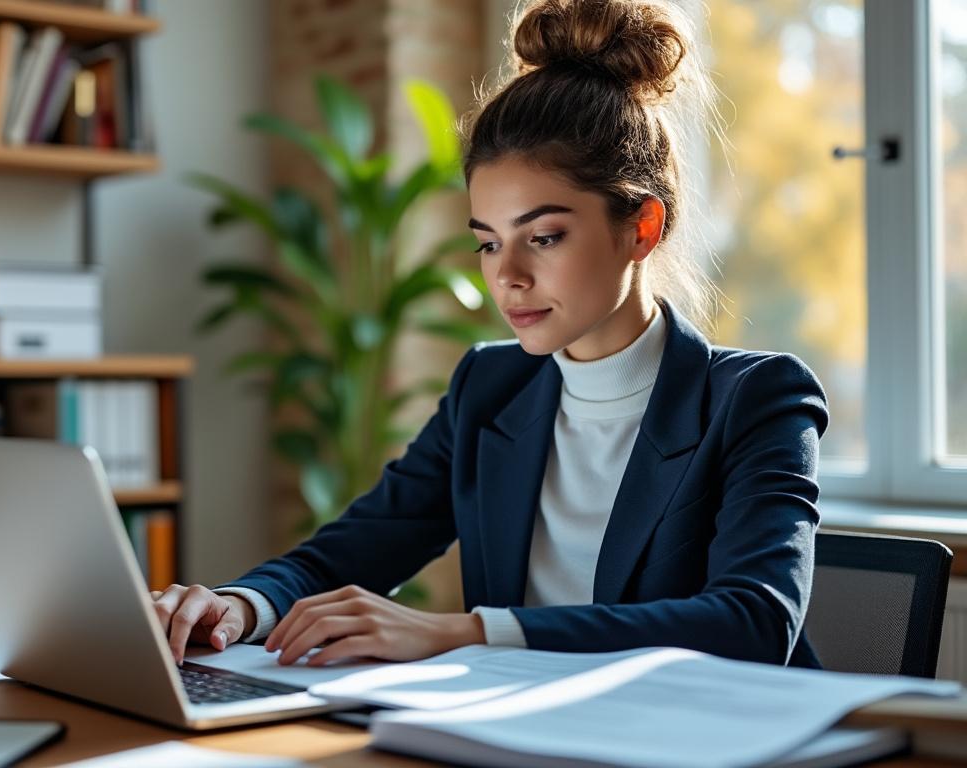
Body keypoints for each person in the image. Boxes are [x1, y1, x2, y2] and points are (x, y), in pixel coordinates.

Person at [152, 0, 828, 670]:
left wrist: (467, 633)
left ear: (641, 228)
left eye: (544, 237)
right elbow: (347, 553)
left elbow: (754, 620)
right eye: (488, 243)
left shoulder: (758, 399)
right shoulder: (489, 386)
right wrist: (240, 606)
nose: (507, 276)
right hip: (521, 734)